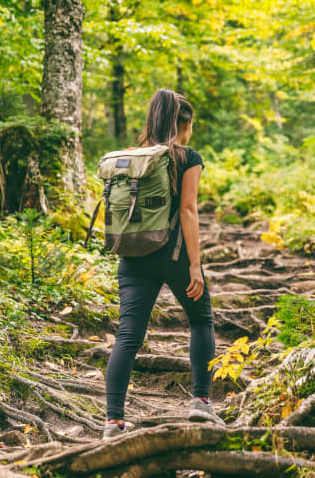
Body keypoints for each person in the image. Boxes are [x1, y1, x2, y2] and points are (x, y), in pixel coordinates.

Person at [103, 88, 224, 440]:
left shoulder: (133, 157)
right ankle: (201, 401)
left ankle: (113, 421)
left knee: (127, 335)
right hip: (173, 256)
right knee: (202, 321)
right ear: (182, 123)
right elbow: (187, 210)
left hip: (133, 256)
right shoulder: (187, 157)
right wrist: (194, 265)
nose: (191, 132)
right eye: (190, 124)